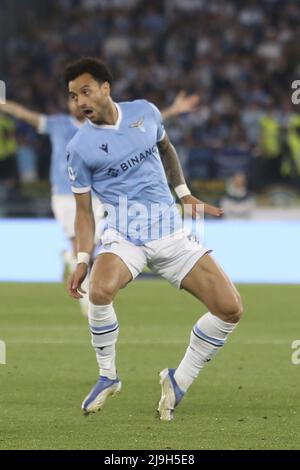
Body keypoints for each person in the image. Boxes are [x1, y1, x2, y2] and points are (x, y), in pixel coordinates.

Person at [64, 57, 243, 421]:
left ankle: (178, 382)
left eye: (85, 91)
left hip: (172, 234)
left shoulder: (145, 113)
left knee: (230, 308)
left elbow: (165, 148)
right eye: (72, 95)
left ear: (105, 88)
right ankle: (108, 375)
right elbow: (83, 213)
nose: (79, 101)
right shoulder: (79, 148)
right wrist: (83, 259)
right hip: (125, 236)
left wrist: (184, 193)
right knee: (99, 290)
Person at [0, 91, 198, 314]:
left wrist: (173, 110)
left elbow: (141, 121)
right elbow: (25, 115)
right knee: (78, 241)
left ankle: (73, 264)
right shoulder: (58, 124)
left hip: (94, 195)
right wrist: (3, 103)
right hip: (64, 195)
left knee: (88, 246)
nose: (76, 103)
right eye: (72, 99)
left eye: (79, 98)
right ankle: (85, 294)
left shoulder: (98, 128)